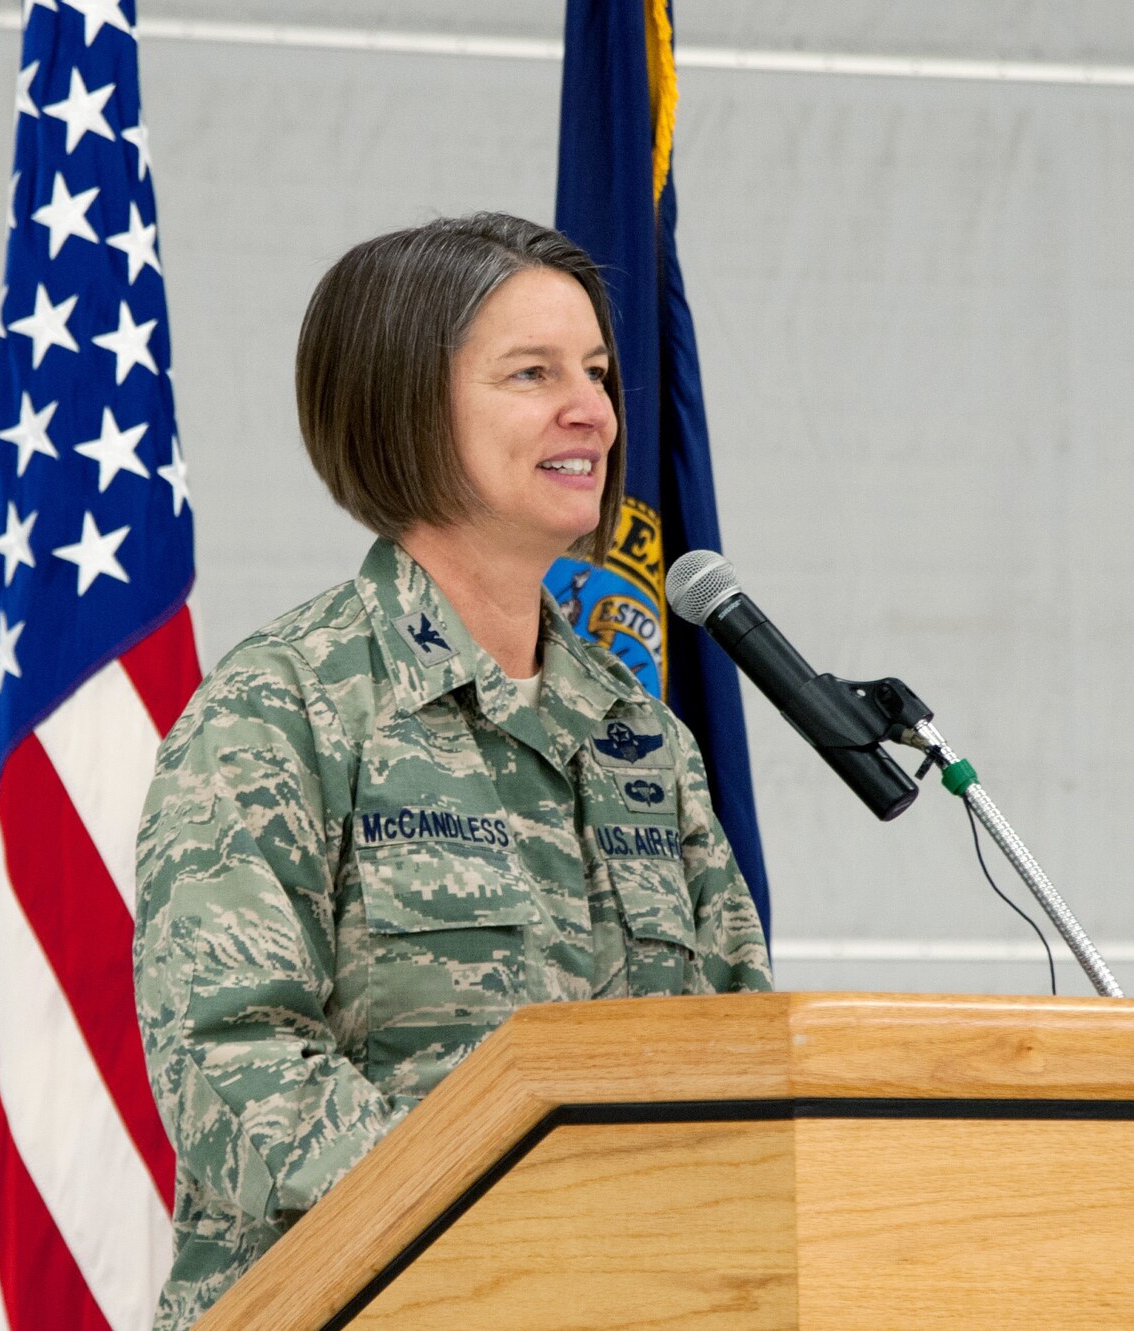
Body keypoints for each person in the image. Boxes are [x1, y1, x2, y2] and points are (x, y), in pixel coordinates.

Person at [132, 213, 772, 1330]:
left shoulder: (642, 738)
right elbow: (229, 1065)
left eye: (596, 371)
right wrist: (520, 1227)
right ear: (403, 407)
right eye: (531, 374)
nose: (593, 412)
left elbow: (739, 1049)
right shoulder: (281, 708)